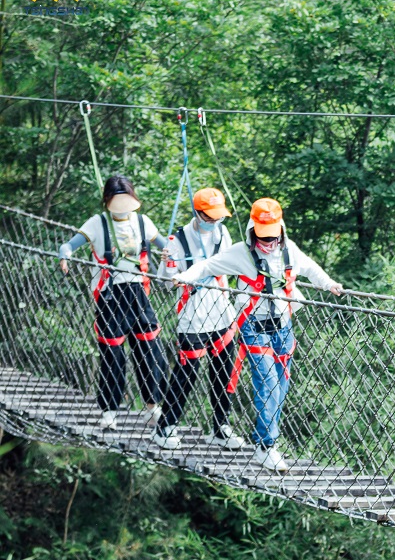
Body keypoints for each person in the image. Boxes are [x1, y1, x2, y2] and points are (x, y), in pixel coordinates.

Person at [172, 198, 343, 472]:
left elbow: (311, 268)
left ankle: (267, 440)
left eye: (272, 237)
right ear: (253, 230)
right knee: (268, 384)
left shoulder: (289, 250)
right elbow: (208, 266)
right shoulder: (240, 253)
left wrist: (329, 284)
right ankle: (265, 445)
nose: (268, 242)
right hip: (254, 326)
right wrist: (185, 277)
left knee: (281, 385)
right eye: (262, 237)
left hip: (283, 326)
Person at [58, 175, 168, 430]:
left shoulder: (142, 222)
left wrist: (170, 253)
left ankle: (152, 406)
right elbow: (69, 245)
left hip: (139, 293)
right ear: (107, 200)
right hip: (110, 295)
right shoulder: (97, 223)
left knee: (150, 350)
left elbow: (167, 245)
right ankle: (109, 411)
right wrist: (65, 255)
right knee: (113, 355)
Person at [153, 188, 244, 450]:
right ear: (197, 212)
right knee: (186, 374)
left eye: (218, 217)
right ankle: (165, 427)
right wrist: (169, 265)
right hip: (192, 315)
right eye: (209, 217)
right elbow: (165, 283)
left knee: (224, 373)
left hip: (222, 313)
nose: (214, 221)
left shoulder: (222, 234)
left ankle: (220, 427)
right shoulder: (176, 241)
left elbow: (230, 267)